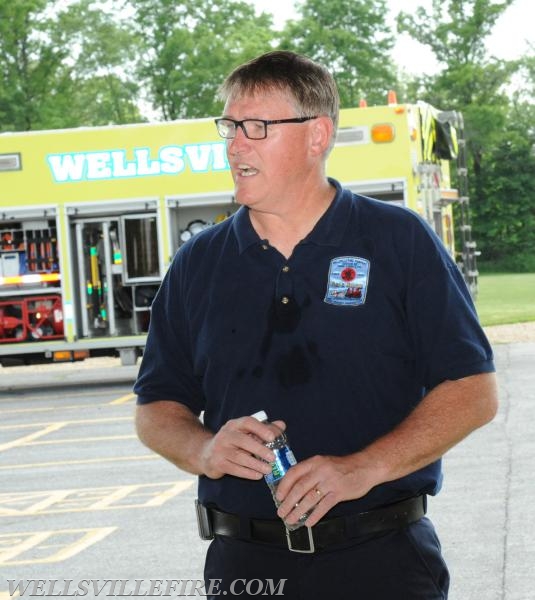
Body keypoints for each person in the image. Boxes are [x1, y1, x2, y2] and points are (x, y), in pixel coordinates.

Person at [134, 50, 498, 599]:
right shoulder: (198, 264)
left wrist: (362, 469)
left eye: (256, 127)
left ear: (317, 135)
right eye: (229, 127)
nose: (235, 145)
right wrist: (204, 449)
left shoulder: (399, 241)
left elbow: (474, 391)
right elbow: (157, 408)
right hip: (245, 570)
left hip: (383, 564)